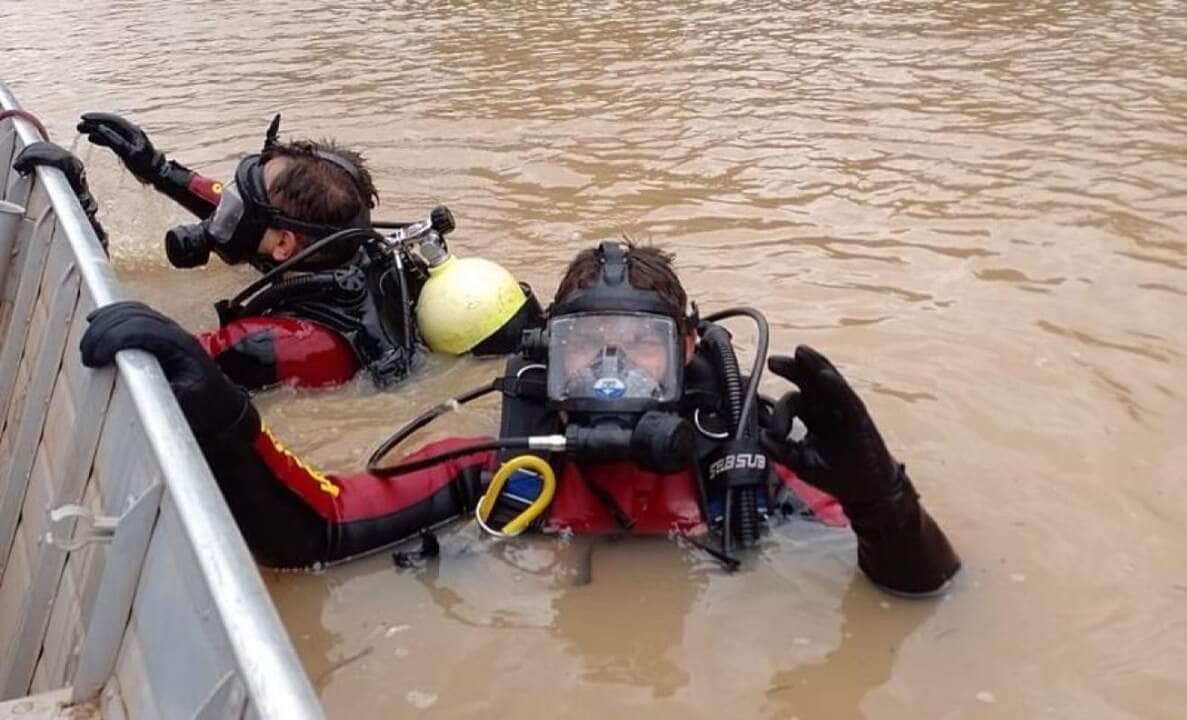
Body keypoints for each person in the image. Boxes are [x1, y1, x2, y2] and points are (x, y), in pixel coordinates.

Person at [78, 241, 960, 595]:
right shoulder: (504, 474)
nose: (612, 379)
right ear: (548, 356)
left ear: (689, 348)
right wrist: (223, 412)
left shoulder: (749, 472)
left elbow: (921, 592)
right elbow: (316, 529)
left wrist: (880, 495)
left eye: (638, 354)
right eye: (590, 355)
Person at [71, 112, 541, 390]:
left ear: (283, 245)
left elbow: (143, 366)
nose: (229, 206)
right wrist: (153, 166)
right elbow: (231, 211)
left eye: (245, 202)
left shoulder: (278, 344)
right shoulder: (342, 248)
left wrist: (85, 222)